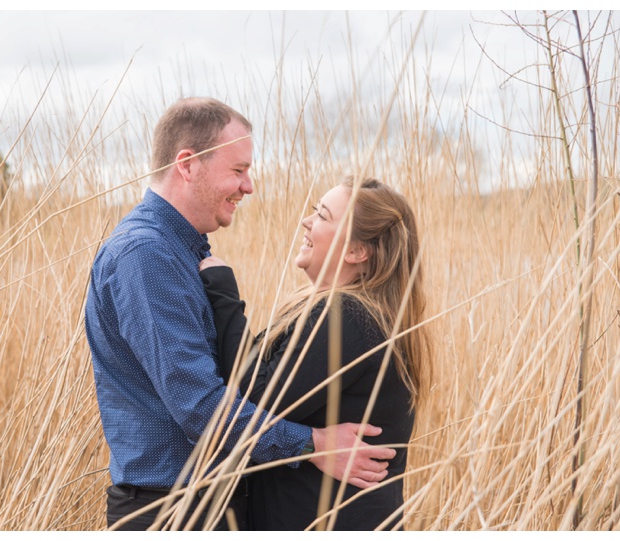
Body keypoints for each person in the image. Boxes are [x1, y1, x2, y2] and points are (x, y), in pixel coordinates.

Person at [84, 98, 396, 531]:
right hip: (171, 510)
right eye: (238, 170)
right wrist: (313, 444)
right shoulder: (146, 255)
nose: (248, 186)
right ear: (188, 164)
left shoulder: (183, 251)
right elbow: (199, 406)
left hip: (205, 506)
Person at [199, 177, 433, 530]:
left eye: (322, 216)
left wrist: (224, 295)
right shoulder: (353, 313)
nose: (306, 222)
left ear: (357, 251)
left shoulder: (347, 317)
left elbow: (258, 397)